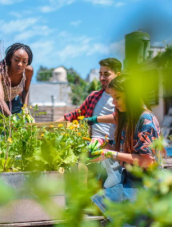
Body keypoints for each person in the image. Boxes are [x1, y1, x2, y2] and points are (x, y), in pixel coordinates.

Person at [90, 74, 161, 223]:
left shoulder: (146, 120)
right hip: (129, 179)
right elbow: (121, 153)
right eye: (112, 98)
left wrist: (108, 152)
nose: (114, 103)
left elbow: (147, 162)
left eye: (118, 97)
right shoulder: (127, 116)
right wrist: (102, 143)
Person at [57, 58, 122, 188]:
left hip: (112, 145)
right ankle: (83, 198)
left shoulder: (123, 98)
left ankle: (86, 198)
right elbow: (76, 114)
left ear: (117, 74)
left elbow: (127, 117)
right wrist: (51, 125)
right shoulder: (94, 96)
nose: (102, 78)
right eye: (100, 74)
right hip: (91, 142)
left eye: (106, 74)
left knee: (85, 161)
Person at [0, 43, 33, 116]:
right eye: (16, 60)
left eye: (24, 62)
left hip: (13, 101)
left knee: (22, 124)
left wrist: (25, 109)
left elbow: (25, 90)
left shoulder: (28, 71)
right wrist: (10, 119)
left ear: (27, 62)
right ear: (10, 58)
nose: (20, 64)